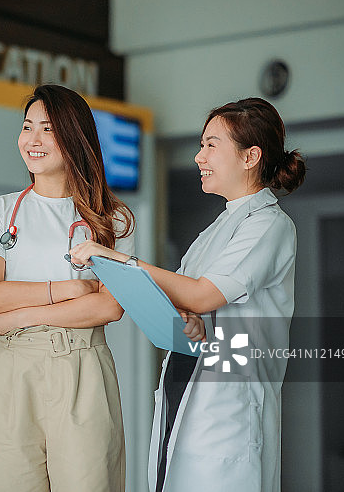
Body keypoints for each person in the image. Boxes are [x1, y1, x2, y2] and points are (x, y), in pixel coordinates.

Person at [69, 97, 307, 492]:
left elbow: (202, 295)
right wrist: (180, 315)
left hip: (230, 400)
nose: (199, 157)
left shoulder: (269, 224)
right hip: (186, 385)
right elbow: (182, 303)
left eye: (211, 145)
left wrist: (118, 259)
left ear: (250, 156)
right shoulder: (216, 230)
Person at [0, 84, 136, 492]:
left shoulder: (113, 220)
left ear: (74, 138)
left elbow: (109, 309)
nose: (32, 140)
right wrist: (71, 291)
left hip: (83, 369)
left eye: (48, 129)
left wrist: (19, 313)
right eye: (27, 127)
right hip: (12, 369)